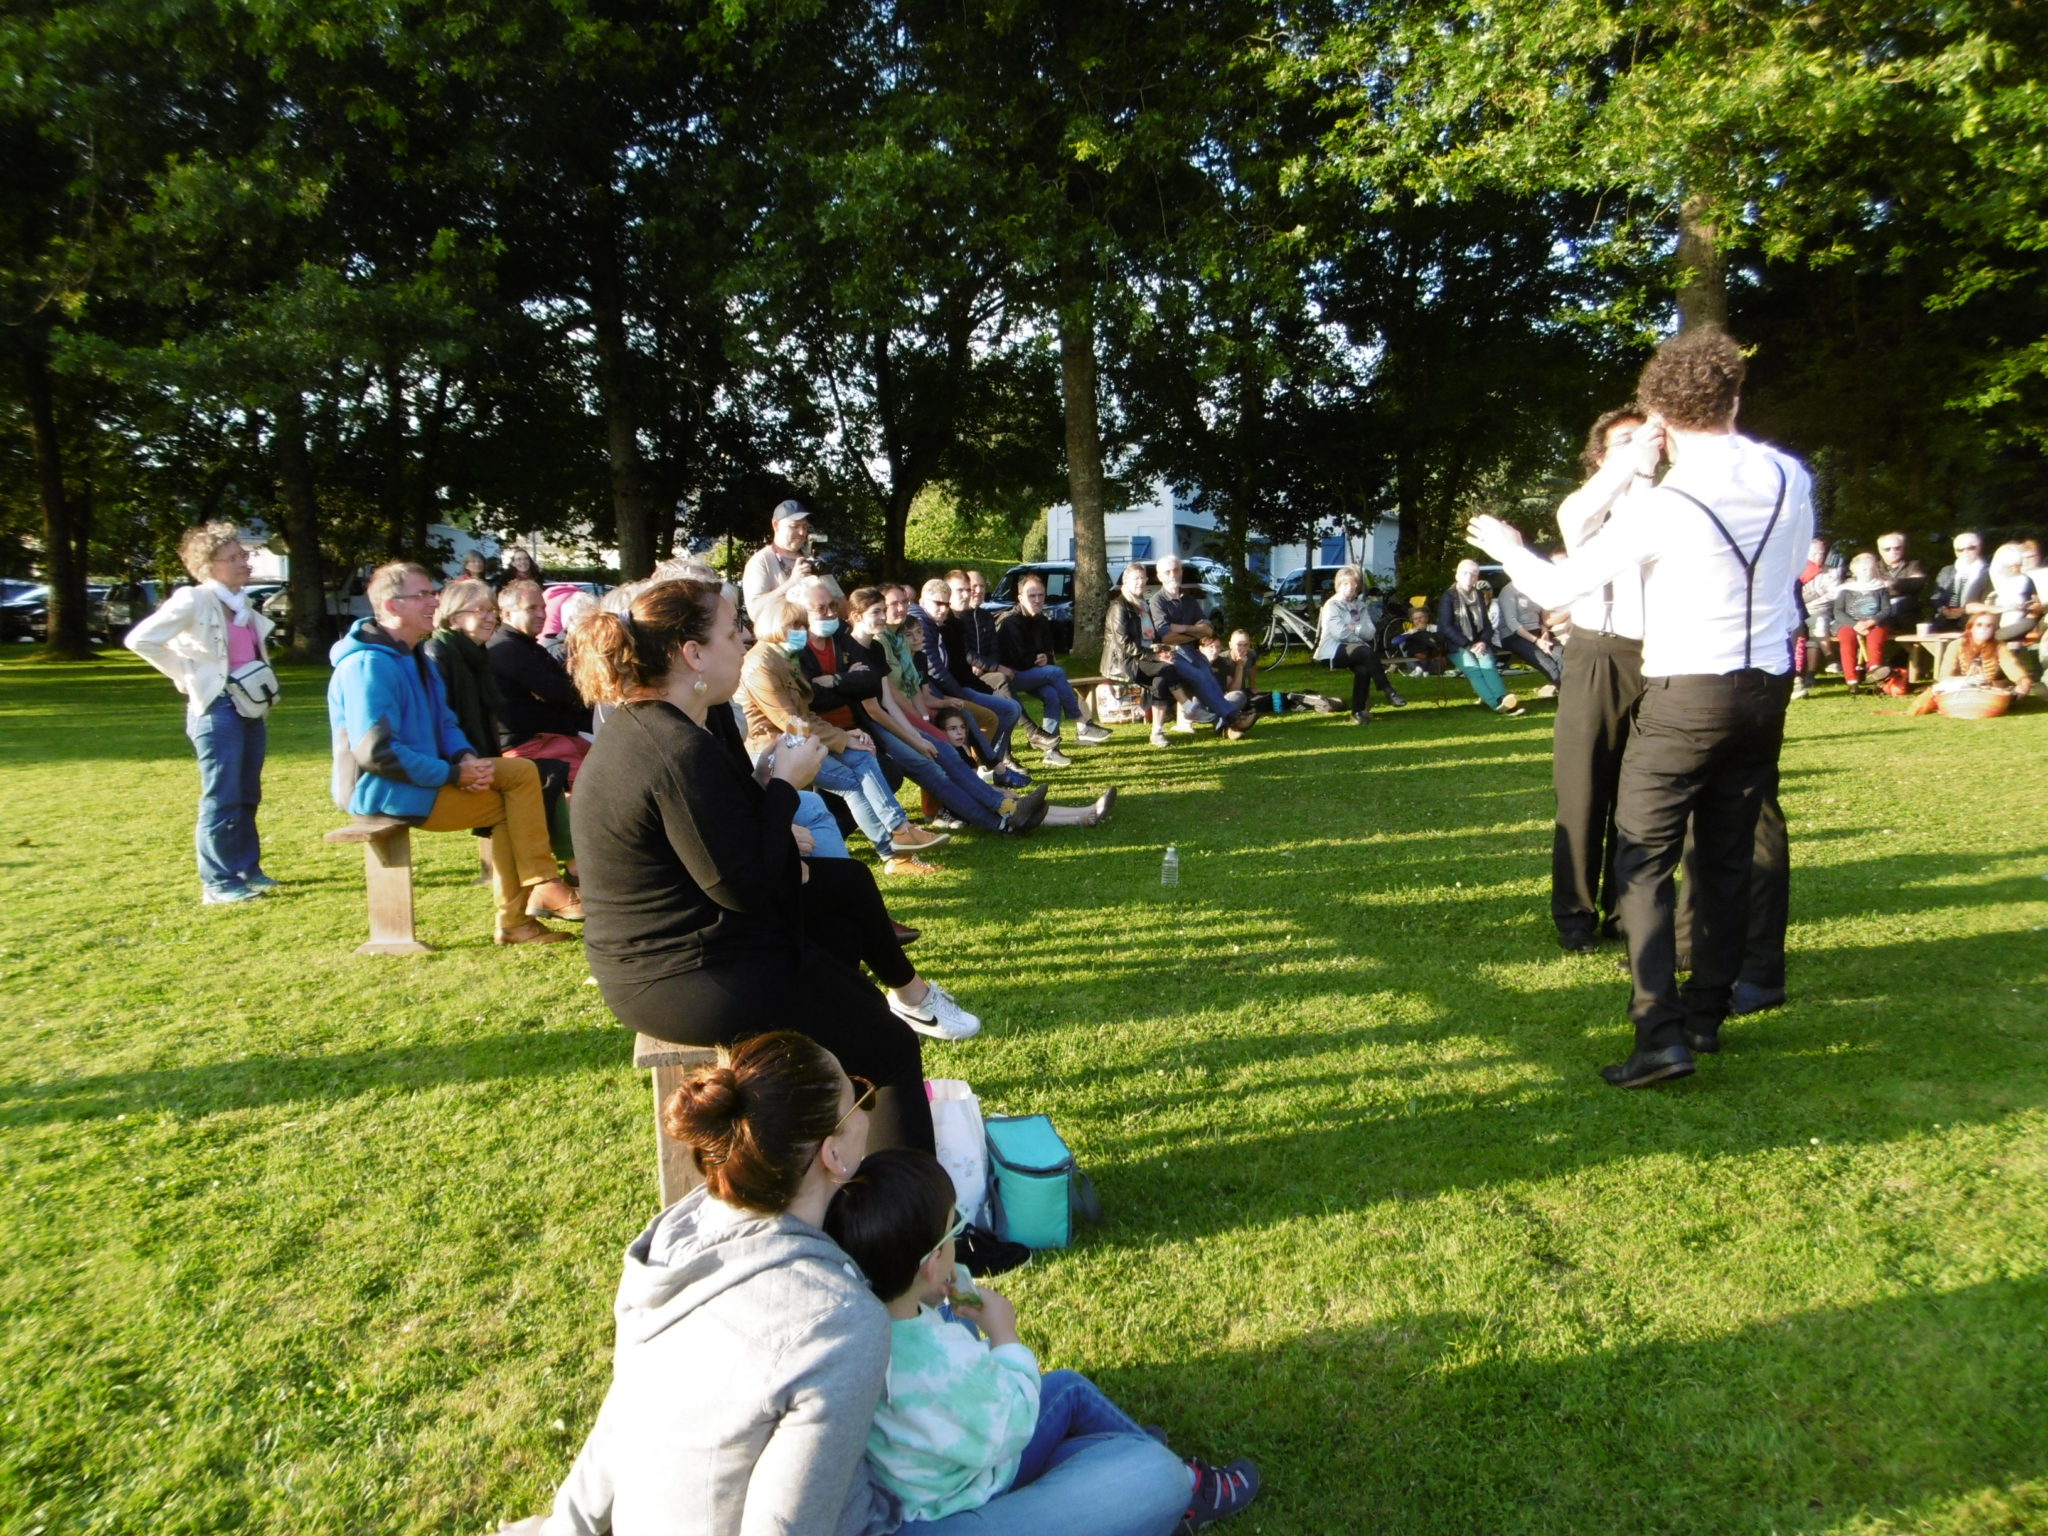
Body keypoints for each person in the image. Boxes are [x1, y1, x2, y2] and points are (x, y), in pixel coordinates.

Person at [1468, 324, 1814, 1088]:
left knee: (1642, 853)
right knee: (1725, 853)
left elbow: (1558, 586)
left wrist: (1507, 546)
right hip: (1766, 687)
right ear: (1734, 395)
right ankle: (1706, 1013)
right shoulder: (1789, 475)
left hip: (1688, 688)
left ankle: (1659, 1031)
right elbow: (1791, 570)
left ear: (1660, 412)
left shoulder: (1668, 503)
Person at [567, 578, 977, 1093]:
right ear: (694, 655)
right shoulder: (674, 746)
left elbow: (720, 835)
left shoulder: (663, 726)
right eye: (730, 632)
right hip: (681, 975)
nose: (743, 641)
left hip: (693, 945)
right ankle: (869, 1118)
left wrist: (769, 790)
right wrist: (784, 785)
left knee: (844, 903)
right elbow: (742, 887)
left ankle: (843, 1077)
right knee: (888, 1045)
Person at [538, 1031, 897, 1536]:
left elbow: (621, 1416)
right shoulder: (838, 1324)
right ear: (833, 1153)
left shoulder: (672, 1240)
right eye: (858, 1096)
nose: (866, 1106)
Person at [822, 1148, 1255, 1536]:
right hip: (967, 1490)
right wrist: (1004, 1336)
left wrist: (948, 1289)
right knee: (1079, 1401)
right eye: (954, 1230)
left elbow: (928, 1298)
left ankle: (1133, 1450)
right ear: (932, 1262)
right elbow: (1014, 1423)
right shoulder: (943, 1364)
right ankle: (1186, 1489)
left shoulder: (863, 1326)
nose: (958, 1239)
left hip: (926, 1478)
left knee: (1069, 1392)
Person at [327, 562, 581, 944]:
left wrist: (465, 757)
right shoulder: (368, 664)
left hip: (425, 777)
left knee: (524, 773)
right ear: (392, 606)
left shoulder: (413, 654)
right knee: (513, 803)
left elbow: (445, 721)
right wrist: (452, 774)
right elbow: (377, 754)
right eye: (423, 595)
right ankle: (524, 910)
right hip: (381, 790)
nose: (434, 601)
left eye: (433, 593)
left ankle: (538, 893)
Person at [125, 520, 281, 904]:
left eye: (243, 555)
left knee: (247, 793)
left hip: (248, 707)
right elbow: (141, 639)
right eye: (234, 558)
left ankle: (247, 870)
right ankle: (218, 883)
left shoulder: (240, 603)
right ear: (208, 566)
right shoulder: (194, 600)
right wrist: (188, 674)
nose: (244, 562)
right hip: (217, 709)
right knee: (222, 797)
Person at [740, 600, 950, 874]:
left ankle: (901, 830)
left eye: (802, 625)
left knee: (862, 754)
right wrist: (841, 738)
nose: (801, 631)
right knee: (850, 782)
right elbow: (789, 721)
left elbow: (805, 713)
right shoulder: (761, 665)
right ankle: (893, 853)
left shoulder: (784, 657)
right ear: (773, 627)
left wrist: (845, 736)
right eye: (793, 625)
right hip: (773, 749)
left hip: (801, 741)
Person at [1549, 408, 1652, 951]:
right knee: (1583, 790)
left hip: (1658, 656)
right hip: (1596, 653)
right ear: (1599, 457)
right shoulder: (1586, 508)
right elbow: (1583, 513)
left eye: (1646, 437)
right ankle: (1575, 915)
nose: (1641, 447)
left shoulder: (1668, 502)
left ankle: (1626, 910)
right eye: (1624, 441)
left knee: (1641, 794)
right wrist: (1630, 461)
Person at [845, 587, 1047, 837]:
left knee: (946, 753)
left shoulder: (875, 648)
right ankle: (1003, 819)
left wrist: (917, 733)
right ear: (857, 616)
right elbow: (874, 711)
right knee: (932, 769)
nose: (883, 617)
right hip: (870, 729)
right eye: (876, 612)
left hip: (892, 721)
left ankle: (1005, 811)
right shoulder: (851, 650)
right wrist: (915, 738)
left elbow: (888, 700)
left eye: (882, 611)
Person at [994, 573, 1110, 765]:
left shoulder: (1041, 620)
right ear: (1020, 597)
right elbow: (1017, 659)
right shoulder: (1010, 621)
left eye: (1041, 595)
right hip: (1009, 677)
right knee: (1056, 672)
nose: (1037, 600)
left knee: (1052, 695)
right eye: (1032, 596)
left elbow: (1049, 652)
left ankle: (1051, 750)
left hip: (1032, 673)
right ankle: (1081, 722)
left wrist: (1045, 657)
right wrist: (1038, 659)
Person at [930, 709, 1114, 828]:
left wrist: (998, 791)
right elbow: (966, 787)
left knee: (1028, 806)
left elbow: (974, 783)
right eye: (952, 729)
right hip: (965, 808)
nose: (959, 732)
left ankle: (1086, 812)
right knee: (1020, 810)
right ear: (940, 732)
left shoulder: (962, 750)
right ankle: (1082, 817)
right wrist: (998, 792)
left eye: (962, 727)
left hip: (977, 798)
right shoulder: (946, 755)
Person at [1146, 556, 1255, 735]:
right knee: (1199, 676)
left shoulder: (1189, 600)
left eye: (1176, 570)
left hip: (1191, 651)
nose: (1172, 574)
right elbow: (1167, 637)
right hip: (1170, 655)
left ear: (1181, 572)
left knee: (1209, 676)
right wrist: (1195, 631)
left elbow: (1208, 630)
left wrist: (1183, 628)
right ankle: (1233, 718)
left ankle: (1226, 722)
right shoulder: (1157, 602)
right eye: (1167, 572)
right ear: (1159, 576)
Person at [1100, 563, 1181, 748]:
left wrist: (1161, 649)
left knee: (1161, 680)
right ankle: (1188, 707)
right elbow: (1125, 645)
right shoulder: (1119, 607)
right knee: (1168, 670)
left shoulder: (1142, 605)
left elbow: (1149, 637)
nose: (1140, 582)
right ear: (1125, 581)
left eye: (1143, 578)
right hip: (1124, 662)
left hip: (1142, 658)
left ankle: (1157, 732)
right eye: (1135, 578)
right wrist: (1156, 657)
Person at [1314, 564, 1407, 725]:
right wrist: (1360, 637)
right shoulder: (1332, 605)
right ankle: (1388, 690)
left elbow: (1370, 632)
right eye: (1345, 584)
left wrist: (1355, 628)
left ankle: (1357, 713)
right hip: (1332, 651)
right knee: (1365, 651)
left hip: (1355, 650)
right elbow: (1339, 633)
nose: (1350, 587)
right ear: (1338, 585)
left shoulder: (1360, 605)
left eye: (1353, 583)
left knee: (1363, 669)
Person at [1437, 561, 1523, 716]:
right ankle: (1497, 704)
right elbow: (1445, 627)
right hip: (1455, 645)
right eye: (1465, 573)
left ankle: (1503, 699)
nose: (1469, 577)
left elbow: (1487, 624)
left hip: (1479, 642)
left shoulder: (1478, 595)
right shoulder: (1448, 597)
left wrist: (1483, 641)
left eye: (1474, 574)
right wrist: (1468, 645)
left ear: (1477, 577)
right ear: (1457, 575)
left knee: (1488, 665)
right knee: (1475, 670)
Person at [1910, 607, 2036, 711]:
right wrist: (1967, 681)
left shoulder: (1999, 646)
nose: (1983, 629)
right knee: (1942, 687)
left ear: (1994, 629)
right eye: (1979, 625)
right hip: (1960, 687)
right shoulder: (1956, 645)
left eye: (1989, 626)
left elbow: (2012, 666)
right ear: (1971, 628)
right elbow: (1945, 676)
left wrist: (2022, 681)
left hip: (1988, 689)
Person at [742, 498, 823, 630]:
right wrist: (792, 582)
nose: (802, 532)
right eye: (794, 526)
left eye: (805, 527)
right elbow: (755, 611)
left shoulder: (812, 560)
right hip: (784, 640)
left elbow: (841, 607)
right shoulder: (761, 561)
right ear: (776, 525)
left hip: (818, 638)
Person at [1834, 552, 1892, 693]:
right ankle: (1852, 680)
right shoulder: (1845, 590)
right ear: (1855, 571)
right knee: (1847, 642)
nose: (1868, 572)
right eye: (1864, 569)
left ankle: (1875, 671)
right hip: (1850, 623)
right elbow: (1838, 612)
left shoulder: (1880, 589)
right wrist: (1855, 625)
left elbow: (1886, 610)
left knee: (1875, 640)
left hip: (1874, 623)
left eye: (1871, 568)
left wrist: (1870, 622)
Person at [1792, 536, 1841, 698]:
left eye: (1821, 553)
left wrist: (1812, 599)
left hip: (1820, 609)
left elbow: (1834, 593)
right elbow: (1795, 593)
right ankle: (1826, 661)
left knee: (1818, 625)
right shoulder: (1798, 570)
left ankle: (1812, 672)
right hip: (1799, 610)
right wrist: (1814, 595)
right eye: (1814, 553)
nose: (1818, 556)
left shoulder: (1831, 572)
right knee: (1803, 630)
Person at [1493, 578, 1562, 693]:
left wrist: (1545, 634)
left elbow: (1543, 617)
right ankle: (1569, 694)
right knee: (1547, 663)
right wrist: (1537, 641)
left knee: (1561, 655)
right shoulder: (1508, 591)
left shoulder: (1536, 589)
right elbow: (1512, 623)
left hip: (1538, 633)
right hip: (1514, 635)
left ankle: (1568, 689)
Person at [1932, 531, 1991, 630]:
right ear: (1955, 552)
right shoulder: (1947, 571)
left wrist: (1964, 610)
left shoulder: (1989, 571)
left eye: (1971, 548)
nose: (1965, 552)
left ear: (1979, 548)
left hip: (1976, 620)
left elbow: (1989, 599)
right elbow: (1936, 597)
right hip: (1946, 620)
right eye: (1960, 550)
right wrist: (1944, 611)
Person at [1985, 542, 2042, 641]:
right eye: (2010, 566)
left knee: (2030, 622)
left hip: (2020, 622)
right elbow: (1971, 607)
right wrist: (2003, 608)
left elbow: (2036, 602)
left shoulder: (2026, 580)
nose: (2015, 570)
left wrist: (2033, 609)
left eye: (2018, 566)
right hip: (1989, 623)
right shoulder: (1985, 579)